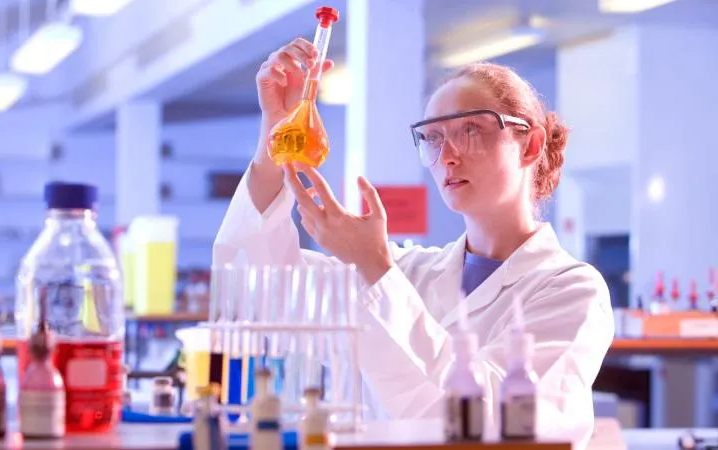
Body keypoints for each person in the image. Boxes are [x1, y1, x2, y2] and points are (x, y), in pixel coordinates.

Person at [213, 37, 615, 449]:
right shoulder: (408, 272)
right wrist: (274, 138)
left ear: (529, 144)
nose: (448, 156)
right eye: (433, 138)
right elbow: (256, 285)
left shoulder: (572, 291)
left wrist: (375, 268)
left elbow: (492, 424)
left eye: (471, 130)